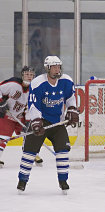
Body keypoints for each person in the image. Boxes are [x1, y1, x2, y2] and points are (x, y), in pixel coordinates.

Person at [16, 56, 79, 193]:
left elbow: (70, 98)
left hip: (57, 122)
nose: (57, 69)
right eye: (54, 67)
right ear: (47, 68)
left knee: (63, 151)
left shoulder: (66, 81)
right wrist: (36, 121)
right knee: (29, 153)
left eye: (59, 66)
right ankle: (22, 181)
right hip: (41, 121)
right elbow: (33, 105)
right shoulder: (38, 83)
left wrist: (72, 109)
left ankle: (63, 181)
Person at [0, 66, 43, 168]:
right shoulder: (13, 84)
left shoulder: (34, 90)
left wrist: (28, 120)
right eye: (27, 74)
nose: (29, 77)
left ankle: (33, 155)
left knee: (29, 134)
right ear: (22, 75)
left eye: (31, 75)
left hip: (20, 117)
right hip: (7, 115)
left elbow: (30, 107)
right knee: (3, 137)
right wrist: (1, 102)